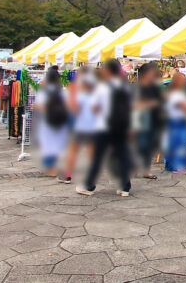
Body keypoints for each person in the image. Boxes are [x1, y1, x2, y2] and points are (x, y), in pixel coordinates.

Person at [77, 59, 133, 197]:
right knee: (122, 156)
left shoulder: (102, 87)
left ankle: (88, 186)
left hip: (104, 127)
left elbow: (94, 107)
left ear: (107, 71)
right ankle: (125, 187)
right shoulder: (126, 87)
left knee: (97, 157)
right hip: (121, 126)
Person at [59, 69, 99, 183]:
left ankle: (67, 175)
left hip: (80, 126)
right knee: (91, 151)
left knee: (73, 151)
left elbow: (72, 109)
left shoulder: (76, 94)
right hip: (92, 126)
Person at [35, 68, 69, 177]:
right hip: (60, 121)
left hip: (47, 121)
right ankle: (53, 166)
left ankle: (51, 168)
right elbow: (67, 106)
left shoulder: (43, 90)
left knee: (48, 144)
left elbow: (40, 106)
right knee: (57, 143)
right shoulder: (63, 90)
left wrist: (48, 116)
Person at [134, 62, 164, 180]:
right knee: (141, 145)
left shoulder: (154, 88)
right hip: (140, 121)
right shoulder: (136, 88)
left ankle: (146, 170)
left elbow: (160, 102)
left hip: (154, 121)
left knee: (149, 146)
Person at [164, 72, 186, 174]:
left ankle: (171, 165)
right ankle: (179, 166)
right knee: (180, 144)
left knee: (174, 144)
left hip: (172, 121)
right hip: (178, 121)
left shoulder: (171, 93)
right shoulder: (176, 94)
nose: (185, 81)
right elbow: (184, 107)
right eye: (183, 79)